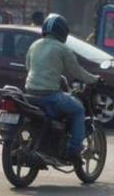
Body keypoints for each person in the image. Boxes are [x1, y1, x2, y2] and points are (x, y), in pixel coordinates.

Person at [25, 14, 99, 165]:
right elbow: (77, 72)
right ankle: (74, 151)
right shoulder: (63, 49)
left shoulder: (35, 45)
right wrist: (94, 79)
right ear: (63, 32)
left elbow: (29, 67)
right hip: (49, 96)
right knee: (78, 109)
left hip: (29, 94)